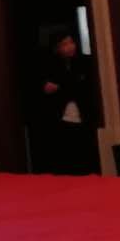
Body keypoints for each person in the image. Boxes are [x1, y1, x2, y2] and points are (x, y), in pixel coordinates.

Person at [32, 30, 98, 175]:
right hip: (59, 117)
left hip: (84, 114)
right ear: (56, 48)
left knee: (85, 153)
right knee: (65, 155)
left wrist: (61, 88)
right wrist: (65, 87)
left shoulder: (85, 62)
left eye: (71, 42)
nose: (70, 47)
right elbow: (46, 89)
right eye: (64, 44)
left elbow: (82, 87)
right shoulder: (49, 66)